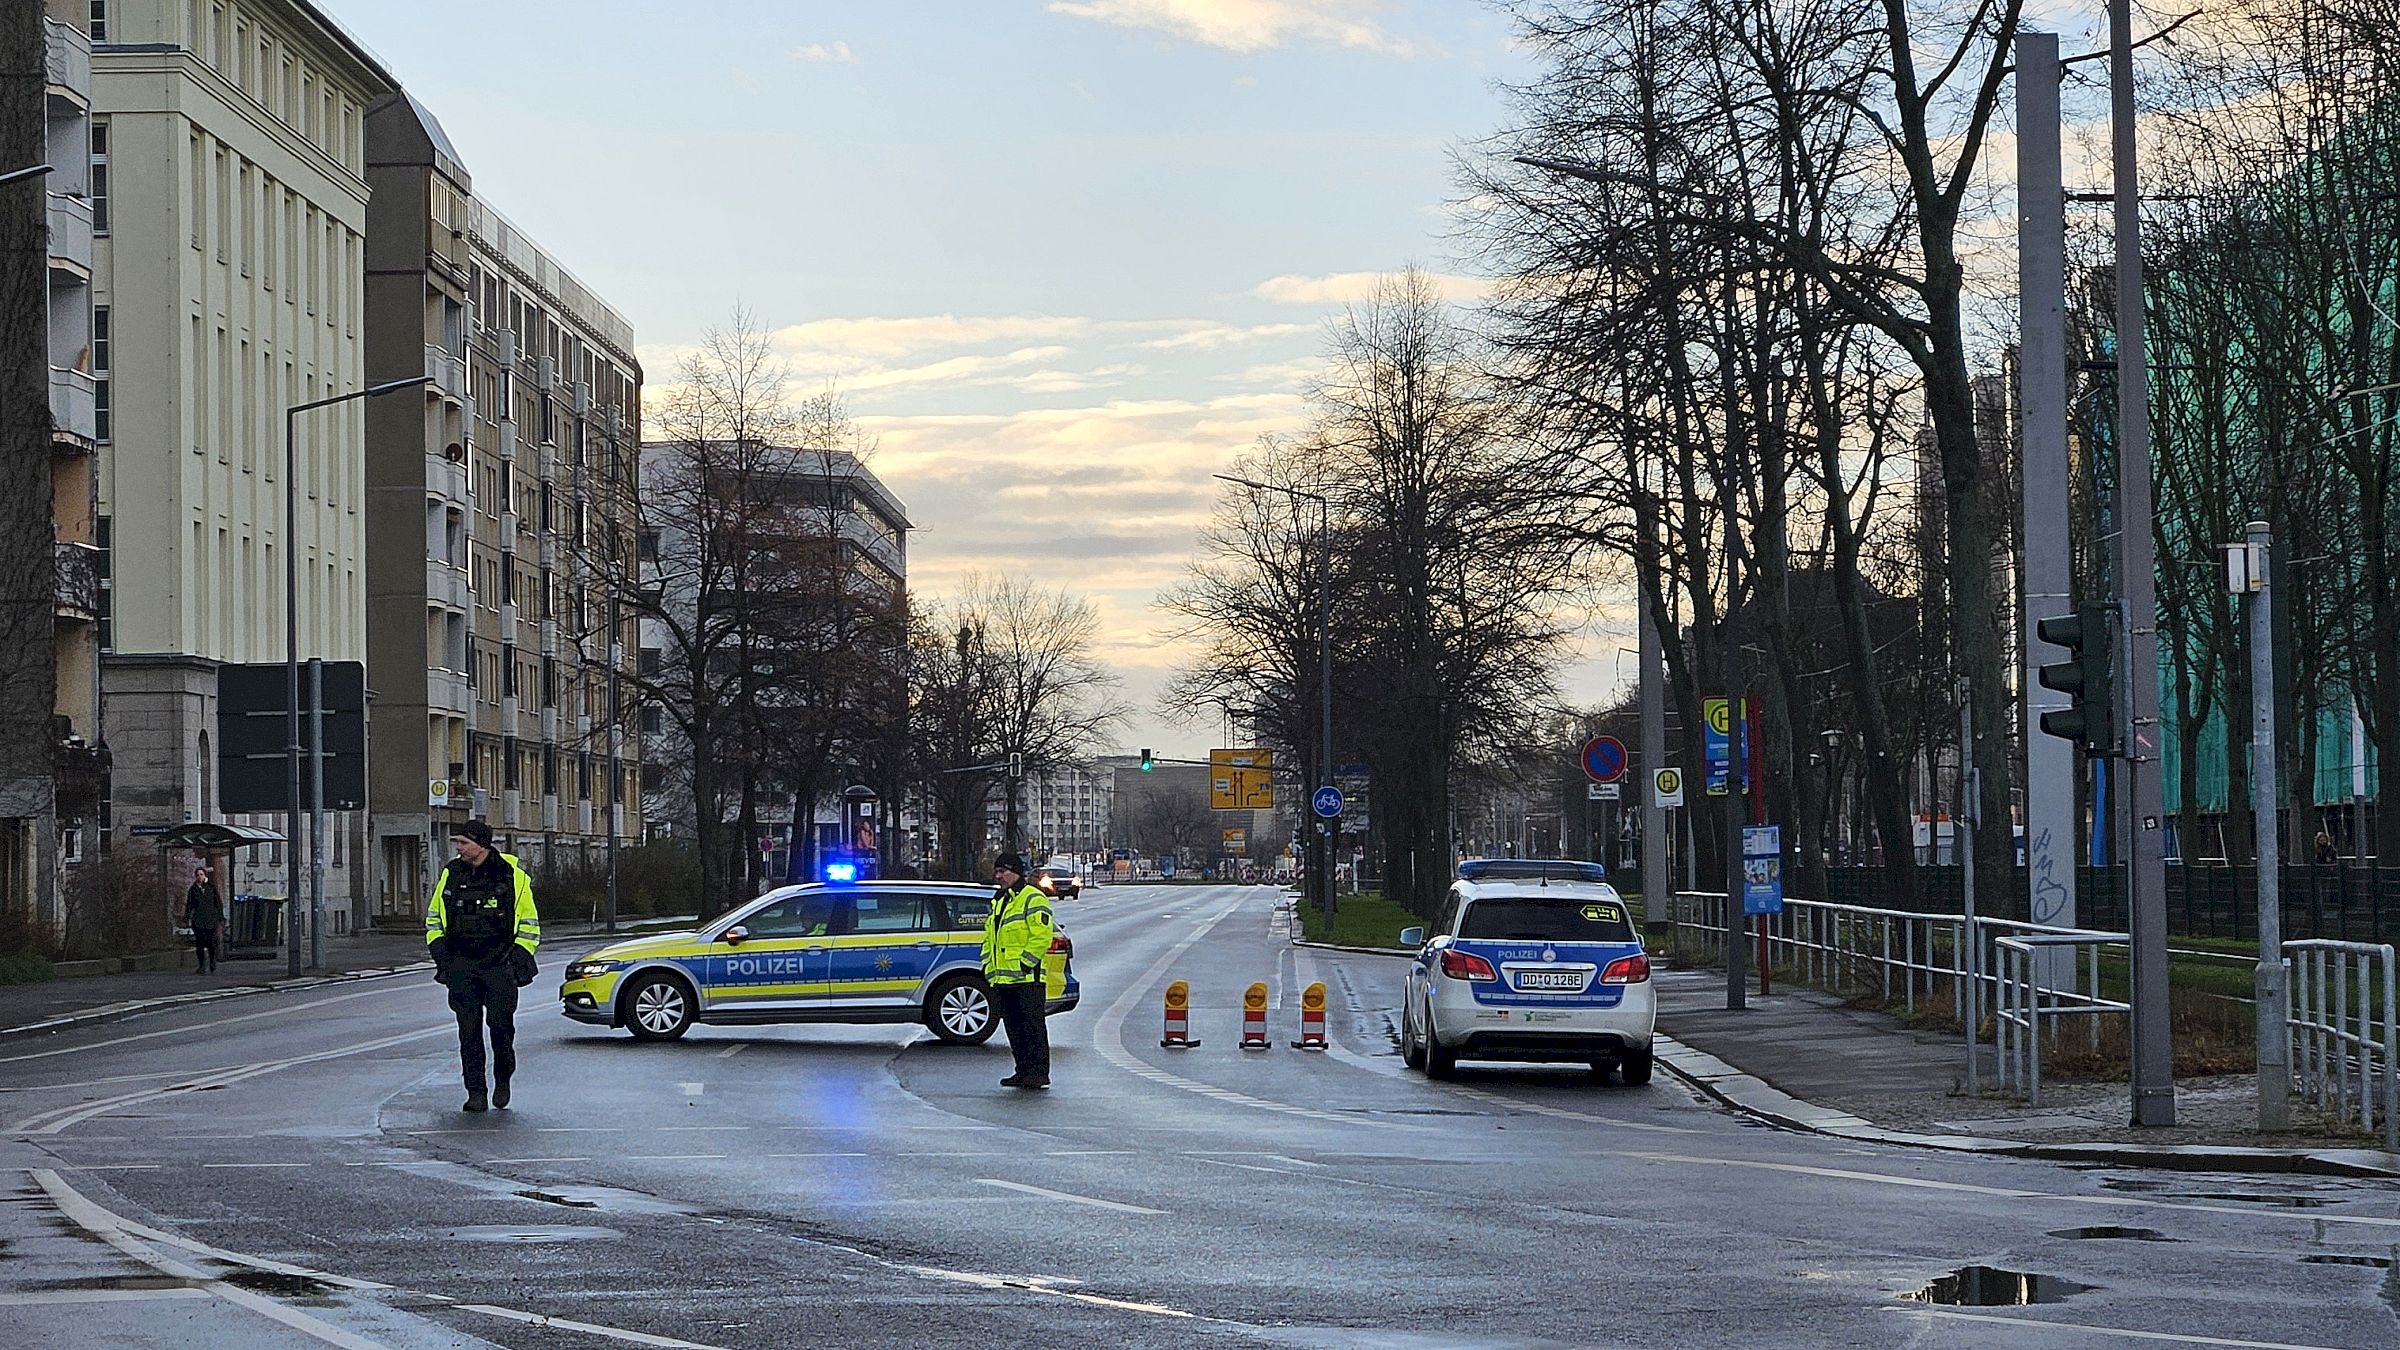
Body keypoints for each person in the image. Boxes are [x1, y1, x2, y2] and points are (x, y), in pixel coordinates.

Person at [425, 820, 540, 1112]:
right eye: (458, 843)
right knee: (468, 1032)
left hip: (499, 966)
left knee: (501, 1029)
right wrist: (443, 957)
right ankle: (475, 1091)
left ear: (482, 844)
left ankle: (503, 1077)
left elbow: (528, 925)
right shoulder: (451, 874)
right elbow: (435, 919)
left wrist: (516, 961)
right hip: (462, 966)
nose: (458, 848)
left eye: (464, 843)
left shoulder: (511, 875)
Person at [982, 853, 1054, 1090]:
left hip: (1027, 979)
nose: (998, 876)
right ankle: (1022, 1070)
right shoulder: (1000, 901)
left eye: (1003, 871)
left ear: (1015, 872)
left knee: (1032, 1027)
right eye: (997, 871)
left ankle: (1038, 1073)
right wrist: (988, 969)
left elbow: (1041, 936)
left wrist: (1025, 963)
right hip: (1004, 979)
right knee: (1014, 1028)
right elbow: (991, 939)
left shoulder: (1032, 897)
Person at [183, 862, 222, 975]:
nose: (199, 876)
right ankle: (201, 966)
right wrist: (186, 918)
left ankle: (212, 962)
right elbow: (189, 904)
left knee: (211, 943)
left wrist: (220, 917)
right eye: (198, 875)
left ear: (205, 875)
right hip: (199, 921)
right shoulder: (193, 889)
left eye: (201, 874)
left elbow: (217, 902)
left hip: (211, 920)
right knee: (199, 944)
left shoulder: (211, 887)